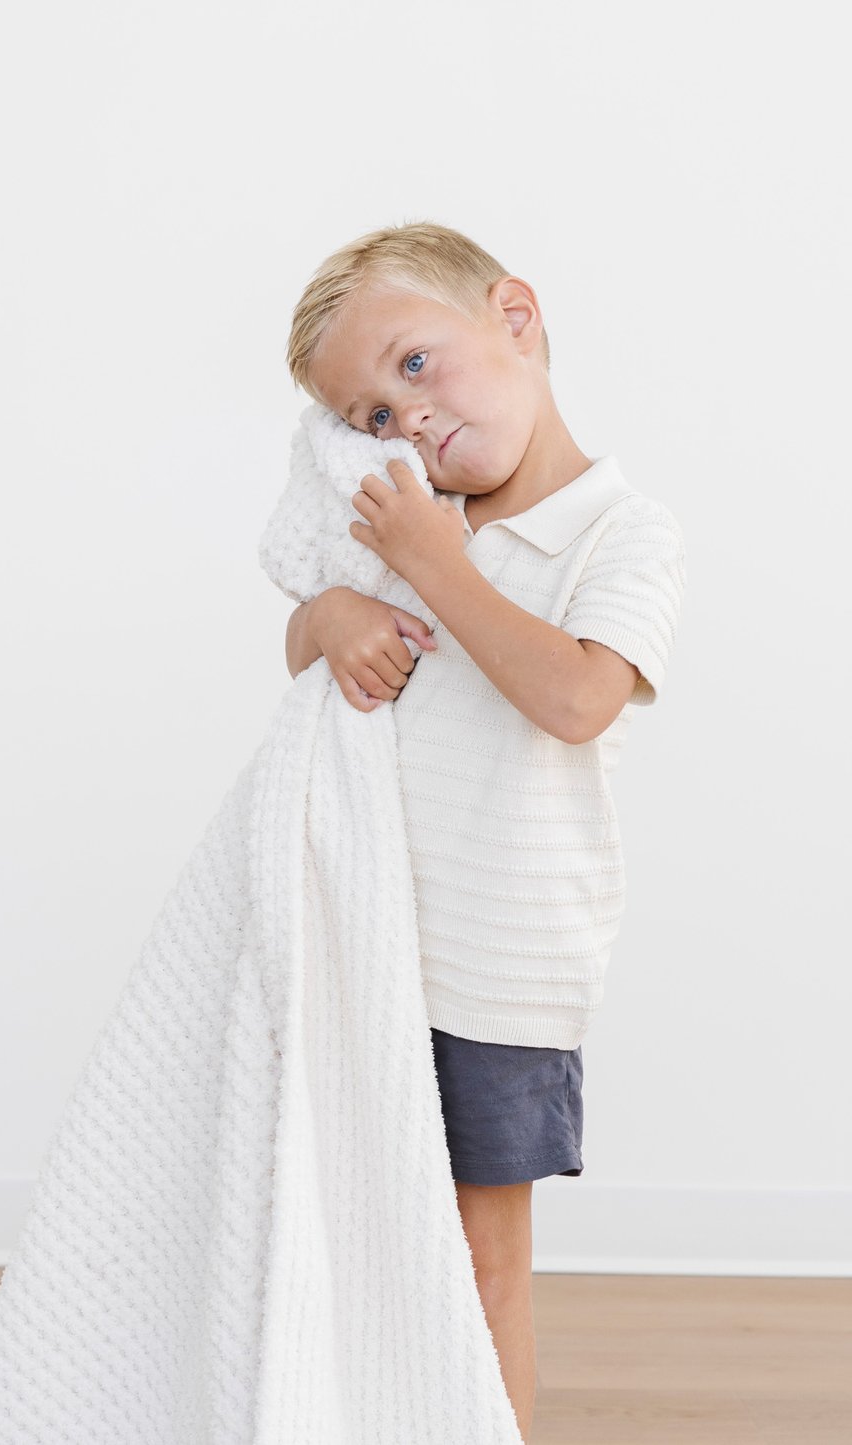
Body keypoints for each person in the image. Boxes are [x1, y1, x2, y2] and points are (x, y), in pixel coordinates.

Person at [282, 223, 686, 1438]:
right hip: (367, 945)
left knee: (477, 1261)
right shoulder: (412, 529)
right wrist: (335, 610)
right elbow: (303, 655)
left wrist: (430, 565)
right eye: (367, 415)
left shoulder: (621, 532)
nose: (403, 422)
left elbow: (572, 697)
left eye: (414, 366)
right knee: (349, 1240)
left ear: (514, 316)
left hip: (495, 970)